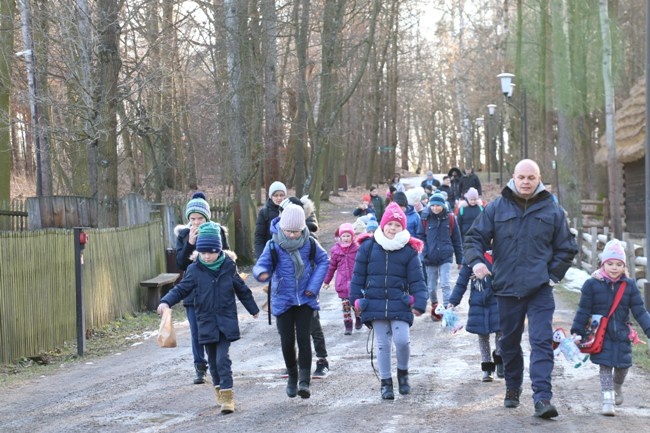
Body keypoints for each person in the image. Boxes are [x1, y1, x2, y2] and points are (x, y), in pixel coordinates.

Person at [463, 159, 578, 419]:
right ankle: (513, 388)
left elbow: (567, 248)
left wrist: (551, 276)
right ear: (513, 178)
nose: (526, 182)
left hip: (539, 289)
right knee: (510, 343)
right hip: (506, 288)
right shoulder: (496, 208)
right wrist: (478, 261)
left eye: (531, 177)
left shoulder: (552, 210)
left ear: (539, 179)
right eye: (522, 177)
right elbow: (473, 238)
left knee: (540, 342)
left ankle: (542, 398)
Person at [159, 222, 260, 414]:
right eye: (203, 252)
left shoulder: (228, 266)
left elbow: (242, 289)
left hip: (225, 321)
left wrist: (253, 308)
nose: (207, 256)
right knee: (212, 362)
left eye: (211, 252)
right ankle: (218, 389)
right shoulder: (194, 270)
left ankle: (228, 397)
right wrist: (165, 302)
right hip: (204, 322)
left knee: (223, 359)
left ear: (219, 250)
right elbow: (181, 289)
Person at [349, 202, 427, 400]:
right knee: (382, 344)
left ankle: (403, 374)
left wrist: (418, 302)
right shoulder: (368, 246)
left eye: (397, 225)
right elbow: (357, 276)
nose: (393, 229)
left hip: (399, 302)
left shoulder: (409, 250)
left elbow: (417, 279)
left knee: (402, 340)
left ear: (403, 227)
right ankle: (386, 383)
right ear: (383, 224)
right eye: (390, 224)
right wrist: (356, 298)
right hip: (374, 302)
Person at [253, 204, 329, 399]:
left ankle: (305, 381)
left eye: (296, 231)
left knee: (304, 338)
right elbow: (263, 263)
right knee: (287, 341)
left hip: (305, 298)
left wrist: (313, 287)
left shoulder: (310, 242)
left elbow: (323, 261)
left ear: (303, 228)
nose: (293, 235)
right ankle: (292, 376)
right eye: (289, 231)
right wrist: (261, 273)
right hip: (283, 299)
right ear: (282, 228)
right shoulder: (274, 244)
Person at [570, 239, 650, 416]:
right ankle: (607, 400)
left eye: (619, 264)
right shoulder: (591, 285)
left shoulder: (628, 286)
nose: (614, 268)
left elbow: (639, 310)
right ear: (603, 264)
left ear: (624, 266)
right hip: (601, 335)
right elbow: (583, 310)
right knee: (605, 366)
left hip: (622, 334)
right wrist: (577, 331)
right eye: (610, 263)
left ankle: (617, 387)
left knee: (623, 366)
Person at [175, 191, 230, 385]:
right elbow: (181, 263)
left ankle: (216, 363)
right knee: (196, 331)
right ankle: (200, 367)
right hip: (192, 291)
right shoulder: (183, 235)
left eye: (200, 218)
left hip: (214, 290)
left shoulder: (218, 231)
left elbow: (227, 258)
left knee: (214, 329)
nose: (196, 222)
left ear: (206, 217)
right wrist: (190, 243)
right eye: (193, 218)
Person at [279, 196, 330, 377]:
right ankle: (295, 362)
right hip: (287, 293)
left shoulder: (309, 238)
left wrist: (313, 287)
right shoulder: (279, 239)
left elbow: (321, 263)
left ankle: (322, 360)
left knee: (313, 325)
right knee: (291, 330)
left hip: (307, 291)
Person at [448, 251, 502, 382]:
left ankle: (500, 358)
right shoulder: (473, 256)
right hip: (479, 302)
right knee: (482, 334)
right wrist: (453, 302)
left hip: (499, 298)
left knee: (501, 331)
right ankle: (487, 368)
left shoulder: (502, 251)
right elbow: (461, 282)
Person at [421, 192, 463, 320]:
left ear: (443, 206)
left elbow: (457, 239)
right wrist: (424, 252)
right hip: (430, 257)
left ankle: (447, 310)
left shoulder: (450, 218)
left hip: (446, 256)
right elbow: (420, 237)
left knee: (445, 283)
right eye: (433, 205)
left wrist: (459, 259)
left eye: (438, 206)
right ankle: (435, 306)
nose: (435, 208)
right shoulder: (424, 218)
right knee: (431, 287)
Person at [322, 223, 361, 335]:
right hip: (342, 283)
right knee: (345, 306)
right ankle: (348, 325)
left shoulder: (357, 249)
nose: (345, 238)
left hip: (355, 283)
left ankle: (359, 318)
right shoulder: (336, 251)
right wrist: (326, 281)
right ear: (340, 237)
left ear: (352, 237)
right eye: (343, 236)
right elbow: (331, 267)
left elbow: (363, 265)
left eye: (348, 236)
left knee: (356, 304)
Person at [254, 181, 287, 258]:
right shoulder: (264, 212)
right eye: (275, 195)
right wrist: (261, 257)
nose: (279, 198)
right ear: (270, 196)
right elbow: (259, 237)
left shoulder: (290, 210)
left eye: (281, 195)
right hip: (270, 253)